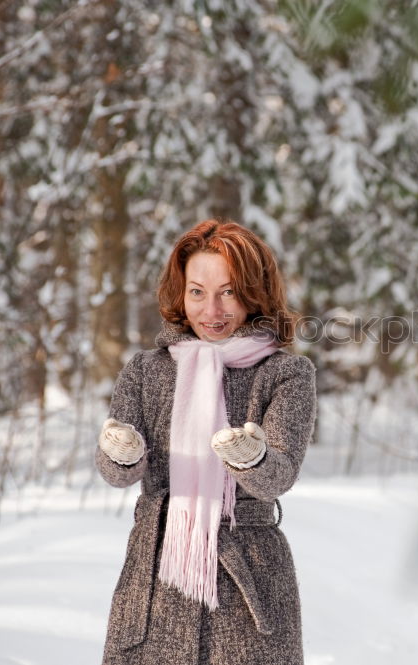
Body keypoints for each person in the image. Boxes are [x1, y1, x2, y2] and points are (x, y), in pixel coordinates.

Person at [96, 219, 317, 665]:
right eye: (197, 291)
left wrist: (253, 459)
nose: (211, 310)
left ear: (255, 293)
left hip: (247, 588)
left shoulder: (286, 374)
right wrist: (122, 455)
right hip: (154, 587)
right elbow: (115, 472)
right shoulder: (146, 370)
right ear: (180, 294)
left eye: (229, 292)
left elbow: (277, 476)